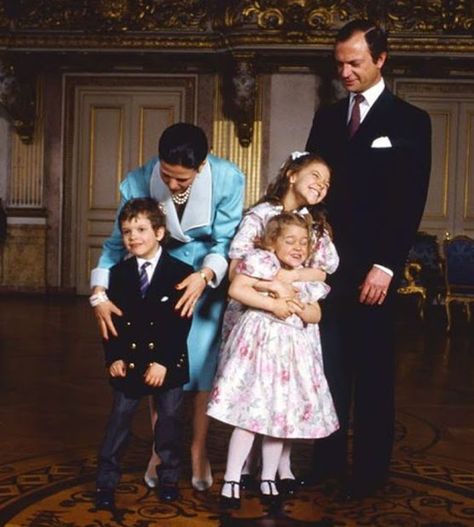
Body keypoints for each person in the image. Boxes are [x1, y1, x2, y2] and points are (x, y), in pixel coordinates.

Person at [305, 19, 432, 498]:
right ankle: (326, 461)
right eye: (340, 64)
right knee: (329, 368)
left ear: (380, 59)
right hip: (327, 268)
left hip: (376, 268)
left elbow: (410, 200)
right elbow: (312, 186)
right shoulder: (327, 118)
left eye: (355, 62)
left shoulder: (411, 121)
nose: (345, 72)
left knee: (374, 373)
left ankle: (370, 473)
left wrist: (386, 265)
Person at [90, 123, 245, 491]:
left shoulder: (228, 178)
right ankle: (161, 451)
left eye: (182, 179)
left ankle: (197, 449)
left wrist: (205, 275)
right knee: (153, 361)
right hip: (155, 280)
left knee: (201, 370)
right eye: (167, 176)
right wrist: (98, 293)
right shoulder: (138, 180)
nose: (173, 185)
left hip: (204, 281)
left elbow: (226, 240)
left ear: (202, 165)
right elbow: (116, 244)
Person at [221, 151, 339, 493]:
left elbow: (323, 270)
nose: (321, 185)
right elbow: (236, 270)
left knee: (285, 393)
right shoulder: (260, 216)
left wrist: (294, 278)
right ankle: (241, 466)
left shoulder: (314, 225)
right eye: (315, 176)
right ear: (291, 174)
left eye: (327, 183)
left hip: (295, 320)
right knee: (255, 391)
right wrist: (275, 285)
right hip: (258, 317)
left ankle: (278, 466)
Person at [95, 198, 193, 509]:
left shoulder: (181, 272)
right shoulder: (118, 273)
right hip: (130, 362)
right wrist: (114, 357)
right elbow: (111, 324)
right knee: (119, 423)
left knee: (170, 424)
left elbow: (181, 324)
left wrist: (163, 362)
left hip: (168, 363)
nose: (133, 237)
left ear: (160, 232)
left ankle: (168, 479)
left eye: (140, 229)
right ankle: (106, 483)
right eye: (126, 231)